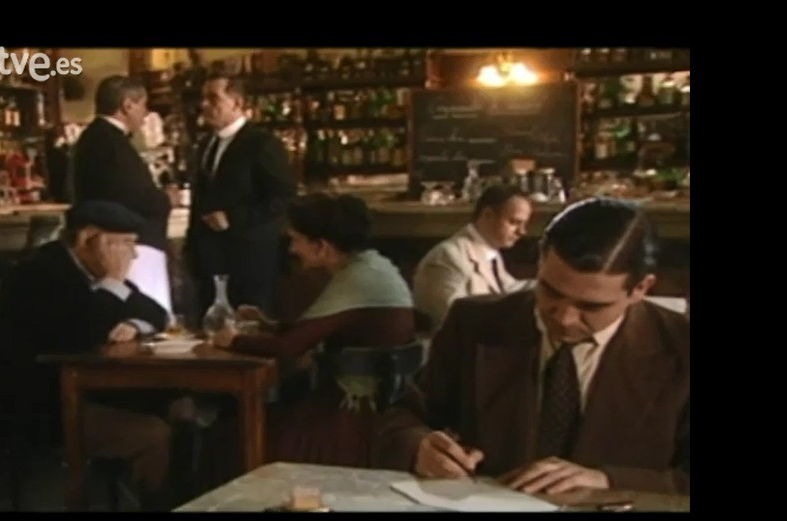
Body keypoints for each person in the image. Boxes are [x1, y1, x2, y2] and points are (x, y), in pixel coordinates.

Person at [375, 198, 690, 496]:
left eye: (590, 306)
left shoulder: (681, 347)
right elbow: (402, 418)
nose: (564, 318)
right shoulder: (475, 323)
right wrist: (419, 447)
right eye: (550, 292)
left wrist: (608, 480)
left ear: (641, 288)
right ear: (540, 264)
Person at [209, 193, 416, 474]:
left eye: (296, 240)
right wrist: (267, 324)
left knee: (227, 436)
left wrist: (232, 340)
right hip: (365, 406)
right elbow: (317, 330)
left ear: (322, 246)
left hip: (352, 420)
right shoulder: (370, 266)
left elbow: (289, 348)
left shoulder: (358, 278)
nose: (292, 249)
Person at [0, 200, 176, 506]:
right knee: (154, 434)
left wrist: (133, 322)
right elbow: (82, 336)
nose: (133, 254)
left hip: (89, 393)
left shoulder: (97, 273)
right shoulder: (40, 274)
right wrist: (112, 283)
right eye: (124, 243)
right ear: (88, 238)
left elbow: (157, 313)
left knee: (180, 407)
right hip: (40, 405)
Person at [184, 72, 296, 324]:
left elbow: (283, 197)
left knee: (250, 330)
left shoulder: (261, 143)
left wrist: (233, 218)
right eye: (203, 98)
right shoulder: (205, 145)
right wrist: (191, 249)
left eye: (213, 98)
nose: (204, 105)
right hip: (209, 261)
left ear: (237, 102)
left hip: (249, 260)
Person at [73, 76, 174, 311]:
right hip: (130, 246)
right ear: (127, 105)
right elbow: (134, 196)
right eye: (143, 105)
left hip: (110, 245)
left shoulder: (95, 136)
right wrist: (166, 198)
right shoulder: (111, 142)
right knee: (142, 316)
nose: (146, 113)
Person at [413, 184, 534, 329]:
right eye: (514, 222)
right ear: (488, 215)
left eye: (524, 224)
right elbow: (453, 320)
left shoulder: (490, 251)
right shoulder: (448, 256)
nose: (522, 232)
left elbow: (509, 288)